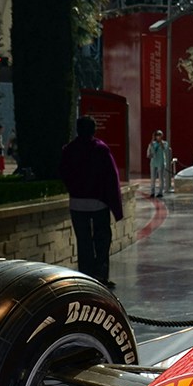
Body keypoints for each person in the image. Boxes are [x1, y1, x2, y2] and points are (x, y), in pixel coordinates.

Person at [57, 115, 124, 289]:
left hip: (77, 203)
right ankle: (101, 275)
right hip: (98, 203)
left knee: (83, 241)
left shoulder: (69, 149)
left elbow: (63, 172)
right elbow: (111, 177)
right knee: (102, 240)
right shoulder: (100, 149)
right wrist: (116, 207)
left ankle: (86, 276)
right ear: (94, 130)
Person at [147, 129, 171, 198]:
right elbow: (149, 153)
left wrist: (160, 142)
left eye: (159, 135)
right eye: (157, 135)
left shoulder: (165, 143)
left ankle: (160, 192)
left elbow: (164, 148)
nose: (158, 137)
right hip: (153, 162)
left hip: (161, 162)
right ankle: (152, 192)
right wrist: (152, 141)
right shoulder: (152, 144)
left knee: (161, 178)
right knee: (153, 178)